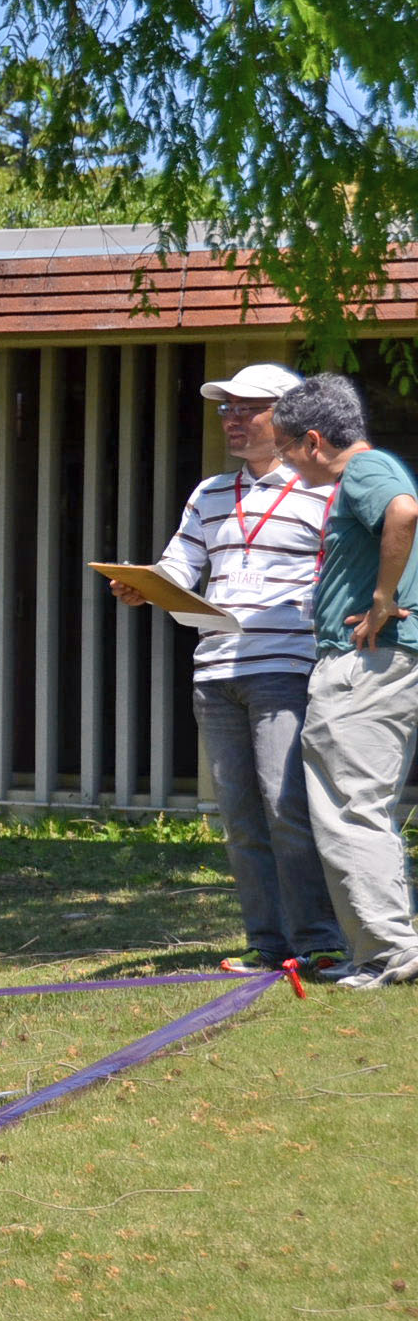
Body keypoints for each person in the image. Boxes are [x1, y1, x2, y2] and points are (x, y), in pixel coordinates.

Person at [110, 362, 343, 974]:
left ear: (288, 417)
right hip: (215, 673)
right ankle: (267, 943)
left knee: (287, 809)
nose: (232, 419)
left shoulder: (325, 492)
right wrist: (145, 585)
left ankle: (321, 940)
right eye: (226, 409)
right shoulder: (209, 492)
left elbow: (344, 577)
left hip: (287, 668)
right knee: (241, 819)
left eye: (247, 408)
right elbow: (180, 565)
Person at [272, 374, 418, 989]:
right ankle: (381, 949)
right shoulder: (370, 473)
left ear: (313, 441)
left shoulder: (363, 469)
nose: (284, 462)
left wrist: (382, 598)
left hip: (365, 662)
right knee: (361, 806)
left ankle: (390, 952)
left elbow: (405, 512)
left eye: (285, 449)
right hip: (377, 663)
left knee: (350, 808)